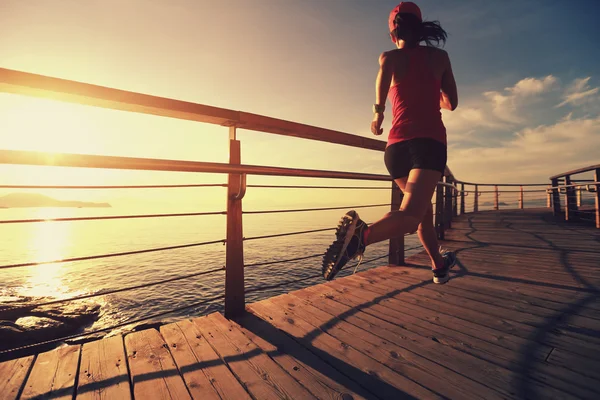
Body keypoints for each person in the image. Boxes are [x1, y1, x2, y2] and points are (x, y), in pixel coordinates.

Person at [322, 2, 458, 284]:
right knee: (410, 216)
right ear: (420, 28)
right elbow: (452, 103)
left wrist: (377, 114)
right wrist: (434, 93)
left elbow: (381, 85)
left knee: (421, 215)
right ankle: (361, 236)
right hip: (428, 144)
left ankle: (439, 265)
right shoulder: (439, 57)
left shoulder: (388, 58)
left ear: (393, 33)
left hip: (396, 149)